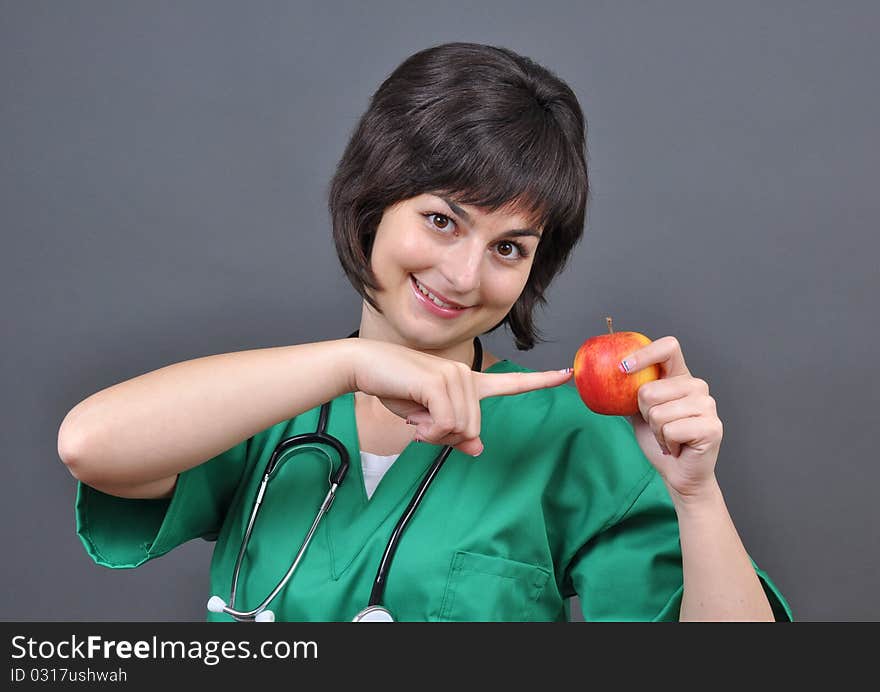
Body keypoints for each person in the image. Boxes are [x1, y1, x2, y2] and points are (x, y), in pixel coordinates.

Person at [57, 42, 792, 622]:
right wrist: (352, 366)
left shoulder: (575, 433)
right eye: (442, 220)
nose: (466, 275)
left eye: (509, 247)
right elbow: (90, 446)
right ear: (372, 204)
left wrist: (697, 498)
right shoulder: (269, 403)